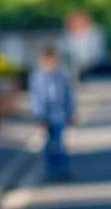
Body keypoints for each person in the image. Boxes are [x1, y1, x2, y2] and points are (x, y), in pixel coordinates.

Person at [29, 46, 76, 182]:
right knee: (48, 144)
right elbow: (36, 98)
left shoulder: (62, 74)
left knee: (60, 143)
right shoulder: (38, 76)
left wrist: (71, 111)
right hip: (45, 114)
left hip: (59, 113)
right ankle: (50, 171)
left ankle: (62, 170)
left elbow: (69, 95)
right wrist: (38, 116)